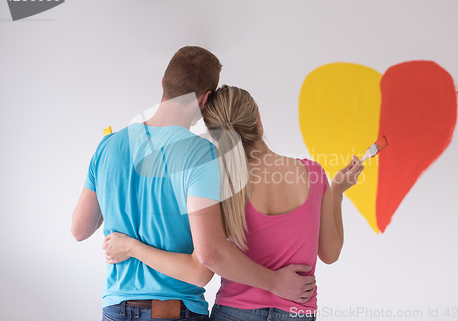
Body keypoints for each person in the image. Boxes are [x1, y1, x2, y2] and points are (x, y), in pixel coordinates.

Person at [71, 47, 315, 321]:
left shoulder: (108, 146)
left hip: (115, 309)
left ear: (163, 82)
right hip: (174, 312)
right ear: (205, 100)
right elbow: (201, 270)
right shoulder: (202, 156)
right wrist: (275, 283)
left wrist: (129, 241)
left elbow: (80, 229)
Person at [102, 85, 364, 321]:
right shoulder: (314, 174)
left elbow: (208, 254)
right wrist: (337, 192)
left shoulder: (219, 179)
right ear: (258, 119)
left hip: (233, 312)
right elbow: (330, 254)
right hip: (297, 311)